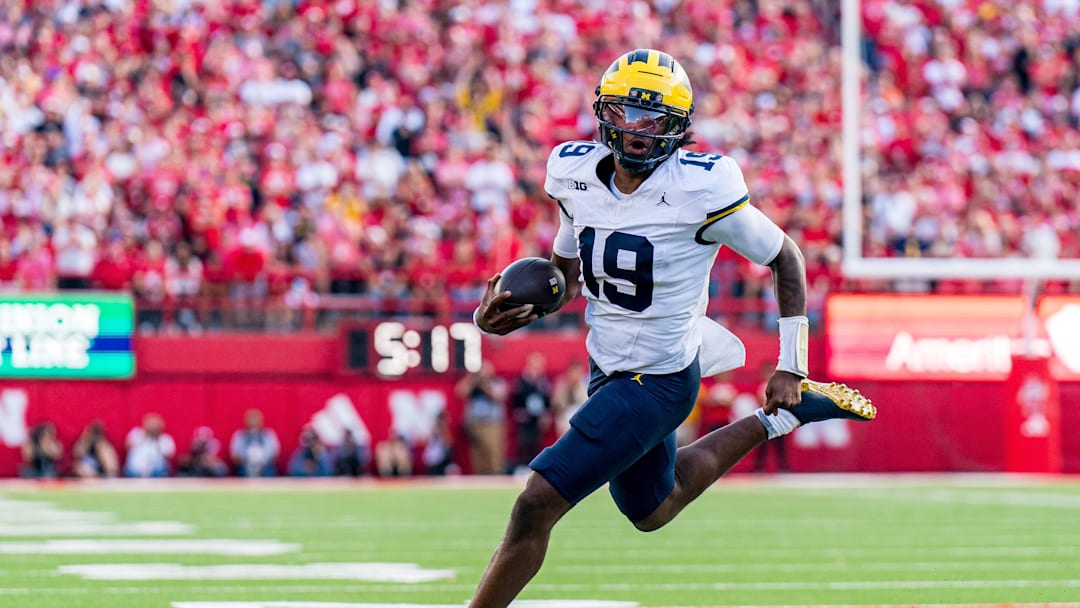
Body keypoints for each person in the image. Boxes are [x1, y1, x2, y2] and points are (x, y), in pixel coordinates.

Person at [468, 49, 876, 607]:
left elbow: (786, 258)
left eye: (653, 118)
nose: (636, 132)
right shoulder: (574, 174)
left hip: (658, 376)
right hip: (607, 364)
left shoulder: (701, 187)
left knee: (536, 502)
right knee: (654, 507)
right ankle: (778, 421)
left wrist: (791, 361)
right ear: (602, 112)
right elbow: (566, 273)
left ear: (678, 127)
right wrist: (508, 311)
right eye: (625, 114)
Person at [455, 360, 508, 475]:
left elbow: (498, 396)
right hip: (475, 423)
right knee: (478, 454)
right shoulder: (473, 383)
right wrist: (472, 379)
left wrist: (485, 385)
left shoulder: (497, 382)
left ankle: (496, 475)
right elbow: (460, 391)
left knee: (493, 453)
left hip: (491, 423)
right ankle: (480, 477)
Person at [508, 352, 552, 473]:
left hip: (537, 419)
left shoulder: (543, 382)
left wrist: (546, 414)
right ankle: (523, 466)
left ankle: (534, 468)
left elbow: (547, 400)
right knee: (524, 442)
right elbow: (516, 400)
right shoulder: (522, 381)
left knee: (536, 443)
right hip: (525, 418)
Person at [229, 408, 280, 477]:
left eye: (256, 420)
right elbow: (234, 455)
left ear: (261, 421)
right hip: (245, 466)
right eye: (251, 420)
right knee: (241, 471)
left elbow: (275, 453)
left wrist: (262, 463)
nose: (253, 422)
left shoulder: (269, 434)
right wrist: (247, 462)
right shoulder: (239, 435)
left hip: (265, 466)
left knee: (269, 471)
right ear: (246, 421)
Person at [124, 413, 175, 478]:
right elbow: (127, 447)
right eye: (150, 425)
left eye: (155, 426)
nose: (152, 428)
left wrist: (157, 439)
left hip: (157, 473)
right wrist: (144, 435)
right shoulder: (136, 433)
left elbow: (169, 455)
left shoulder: (165, 439)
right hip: (135, 472)